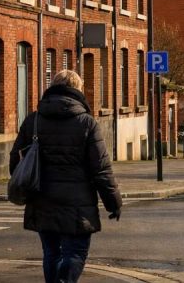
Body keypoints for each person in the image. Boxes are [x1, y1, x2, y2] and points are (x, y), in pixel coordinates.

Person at [10, 69, 122, 283]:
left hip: (42, 199)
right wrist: (113, 202)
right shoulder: (87, 123)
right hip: (77, 202)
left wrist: (27, 186)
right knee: (76, 253)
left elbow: (16, 161)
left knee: (51, 253)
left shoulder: (33, 121)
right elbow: (101, 169)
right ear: (78, 90)